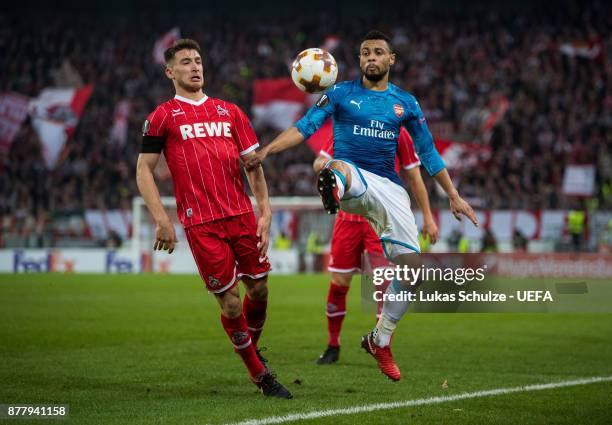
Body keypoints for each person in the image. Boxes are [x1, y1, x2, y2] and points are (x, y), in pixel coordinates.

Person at [245, 30, 477, 381]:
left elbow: (428, 153)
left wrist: (453, 195)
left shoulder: (406, 104)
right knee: (334, 166)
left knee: (412, 271)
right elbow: (305, 127)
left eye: (378, 52)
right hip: (354, 179)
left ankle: (380, 339)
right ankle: (333, 190)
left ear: (390, 60)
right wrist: (266, 151)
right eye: (365, 52)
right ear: (358, 60)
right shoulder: (339, 94)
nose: (371, 57)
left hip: (390, 190)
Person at [135, 39, 291, 398]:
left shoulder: (230, 112)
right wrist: (161, 218)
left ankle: (249, 348)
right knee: (231, 302)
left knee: (260, 288)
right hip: (202, 223)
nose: (195, 67)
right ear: (170, 72)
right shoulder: (162, 116)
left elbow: (253, 165)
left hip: (241, 216)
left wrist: (264, 209)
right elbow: (144, 171)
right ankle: (260, 375)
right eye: (186, 62)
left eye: (199, 61)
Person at [312, 127, 439, 365]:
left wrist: (428, 217)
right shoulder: (347, 124)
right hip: (347, 221)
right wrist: (322, 163)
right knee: (339, 283)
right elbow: (323, 161)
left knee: (382, 285)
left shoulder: (398, 131)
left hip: (380, 220)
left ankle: (381, 344)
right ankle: (333, 345)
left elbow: (414, 175)